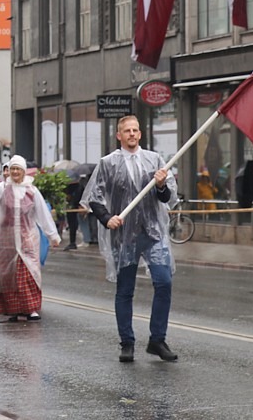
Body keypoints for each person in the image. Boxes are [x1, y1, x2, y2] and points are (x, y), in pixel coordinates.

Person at [81, 115, 178, 363]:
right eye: (127, 131)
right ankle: (127, 342)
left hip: (153, 233)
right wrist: (107, 218)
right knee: (125, 290)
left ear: (140, 134)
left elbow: (166, 198)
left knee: (164, 282)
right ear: (119, 135)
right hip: (124, 237)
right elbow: (94, 196)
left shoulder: (154, 160)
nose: (132, 134)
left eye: (135, 130)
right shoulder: (108, 163)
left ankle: (157, 339)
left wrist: (160, 186)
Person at [0, 155, 61, 322]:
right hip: (7, 240)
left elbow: (42, 213)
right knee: (9, 275)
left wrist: (52, 235)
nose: (15, 172)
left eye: (18, 169)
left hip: (27, 239)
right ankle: (13, 309)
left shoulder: (31, 191)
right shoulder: (2, 189)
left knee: (28, 272)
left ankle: (31, 308)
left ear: (24, 171)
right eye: (13, 169)